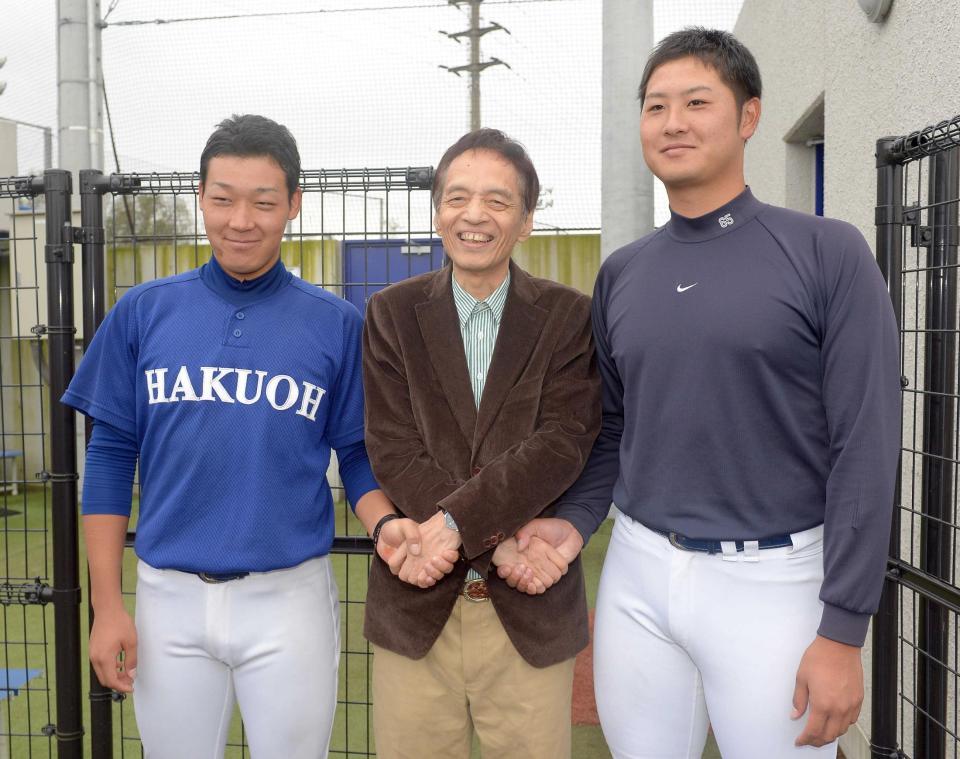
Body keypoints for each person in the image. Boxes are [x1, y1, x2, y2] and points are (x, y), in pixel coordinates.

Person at [517, 27, 900, 758]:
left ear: (748, 117)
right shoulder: (623, 273)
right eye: (655, 105)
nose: (673, 121)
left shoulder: (828, 252)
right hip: (638, 572)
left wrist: (844, 627)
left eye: (697, 101)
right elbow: (615, 429)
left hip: (776, 581)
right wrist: (574, 523)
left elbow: (867, 445)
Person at [63, 113, 431, 759]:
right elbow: (110, 453)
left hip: (287, 597)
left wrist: (383, 523)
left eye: (263, 201)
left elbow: (358, 452)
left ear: (293, 204)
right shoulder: (144, 311)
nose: (241, 220)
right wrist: (106, 605)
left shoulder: (336, 323)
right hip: (166, 596)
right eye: (223, 198)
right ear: (200, 198)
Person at [361, 128, 601, 759]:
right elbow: (391, 445)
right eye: (457, 197)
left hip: (529, 609)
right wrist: (484, 541)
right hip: (416, 600)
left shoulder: (569, 316)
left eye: (497, 201)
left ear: (525, 220)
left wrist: (449, 527)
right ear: (437, 210)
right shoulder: (391, 312)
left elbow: (563, 441)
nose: (474, 215)